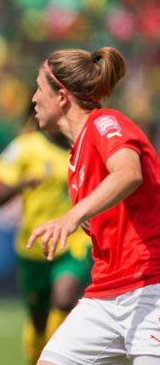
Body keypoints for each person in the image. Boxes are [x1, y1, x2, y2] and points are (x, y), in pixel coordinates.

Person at [26, 47, 160, 365]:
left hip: (150, 287)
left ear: (62, 97)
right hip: (106, 293)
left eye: (39, 88)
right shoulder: (76, 158)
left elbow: (129, 173)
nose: (32, 98)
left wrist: (71, 218)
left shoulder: (104, 122)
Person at [0, 109, 91, 365]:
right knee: (37, 321)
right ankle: (37, 356)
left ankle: (57, 356)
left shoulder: (83, 148)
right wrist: (22, 183)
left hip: (74, 240)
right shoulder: (25, 147)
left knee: (65, 298)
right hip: (34, 245)